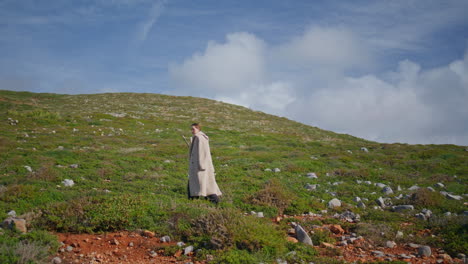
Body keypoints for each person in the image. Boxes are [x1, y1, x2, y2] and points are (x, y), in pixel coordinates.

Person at [187, 123, 222, 204]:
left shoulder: (200, 138)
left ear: (198, 128)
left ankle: (214, 202)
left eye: (193, 129)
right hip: (198, 168)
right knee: (200, 186)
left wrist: (201, 166)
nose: (192, 131)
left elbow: (203, 153)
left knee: (205, 187)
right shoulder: (197, 138)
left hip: (200, 168)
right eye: (191, 129)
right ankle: (192, 204)